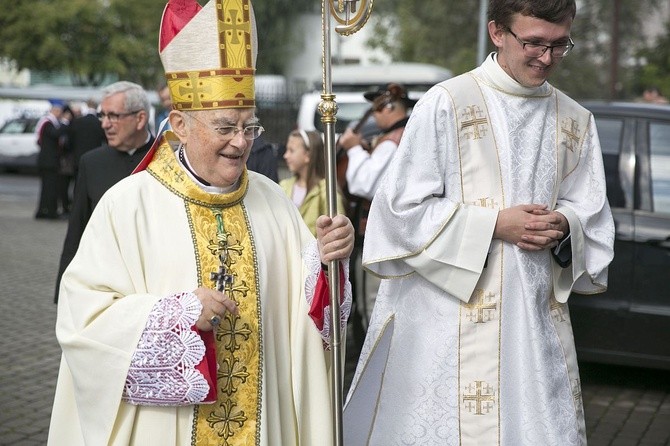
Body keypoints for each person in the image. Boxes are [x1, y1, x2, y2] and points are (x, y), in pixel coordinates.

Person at [48, 1, 354, 445]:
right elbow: (82, 321)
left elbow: (311, 322)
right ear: (180, 125)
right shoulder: (128, 205)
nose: (240, 143)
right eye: (225, 127)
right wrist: (178, 315)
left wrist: (328, 263)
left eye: (250, 128)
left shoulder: (274, 202)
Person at [344, 1, 615, 445]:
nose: (546, 58)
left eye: (559, 45)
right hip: (444, 321)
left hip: (530, 320)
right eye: (533, 43)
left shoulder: (575, 120)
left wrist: (566, 224)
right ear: (497, 32)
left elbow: (592, 213)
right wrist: (494, 224)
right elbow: (399, 212)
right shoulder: (447, 103)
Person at [53, 81, 155, 304]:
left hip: (155, 282)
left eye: (113, 116)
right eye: (102, 116)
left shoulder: (167, 159)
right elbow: (78, 227)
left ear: (140, 119)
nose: (105, 124)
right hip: (107, 284)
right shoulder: (92, 163)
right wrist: (65, 290)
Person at [337, 82, 415, 327]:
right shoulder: (401, 136)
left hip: (385, 233)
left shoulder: (393, 140)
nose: (374, 114)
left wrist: (353, 150)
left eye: (377, 109)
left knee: (374, 304)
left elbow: (364, 184)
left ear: (390, 107)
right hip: (392, 231)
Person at [281, 129, 345, 236]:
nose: (285, 155)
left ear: (307, 155)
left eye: (291, 151)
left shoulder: (327, 191)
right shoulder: (283, 186)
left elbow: (337, 230)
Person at [34, 99, 67, 219]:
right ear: (55, 110)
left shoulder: (46, 122)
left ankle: (42, 211)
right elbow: (56, 134)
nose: (61, 114)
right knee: (50, 187)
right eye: (60, 111)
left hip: (46, 160)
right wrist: (65, 122)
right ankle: (50, 212)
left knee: (46, 187)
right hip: (49, 161)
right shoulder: (48, 123)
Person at [66, 98, 106, 179]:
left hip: (78, 158)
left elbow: (70, 140)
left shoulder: (77, 121)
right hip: (95, 158)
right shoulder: (100, 123)